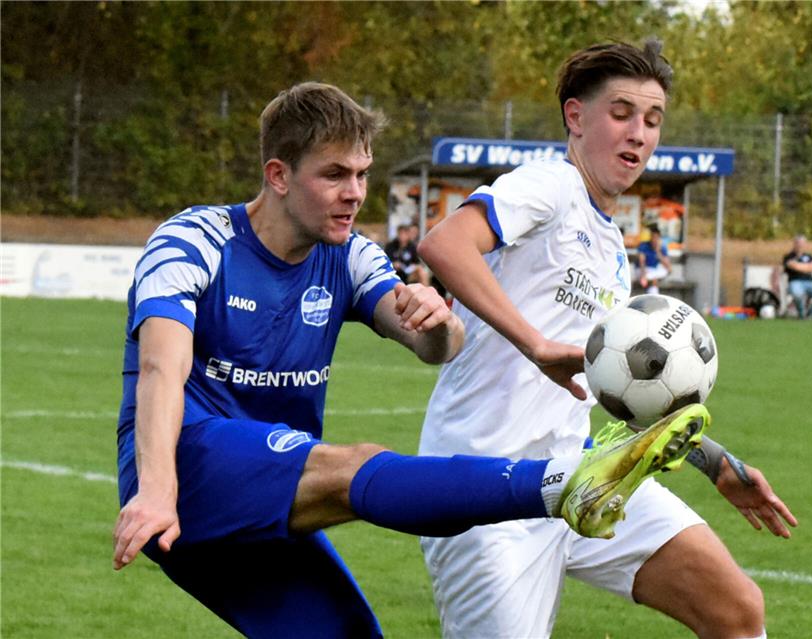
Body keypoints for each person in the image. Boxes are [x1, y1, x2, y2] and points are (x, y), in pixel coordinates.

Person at [112, 81, 707, 638]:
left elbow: (433, 348)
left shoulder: (348, 256)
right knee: (355, 468)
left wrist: (438, 322)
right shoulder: (192, 242)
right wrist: (158, 490)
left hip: (268, 495)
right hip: (182, 473)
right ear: (279, 175)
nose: (355, 193)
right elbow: (164, 369)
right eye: (335, 175)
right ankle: (560, 484)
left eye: (363, 174)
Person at [418, 41, 797, 639]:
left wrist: (711, 458)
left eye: (652, 120)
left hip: (578, 477)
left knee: (735, 610)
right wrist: (535, 344)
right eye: (621, 113)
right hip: (482, 489)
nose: (639, 134)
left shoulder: (612, 248)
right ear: (576, 117)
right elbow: (444, 243)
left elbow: (627, 391)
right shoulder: (549, 185)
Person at [782, 234, 812, 319]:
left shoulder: (809, 256)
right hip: (795, 281)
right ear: (794, 244)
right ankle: (801, 313)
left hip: (809, 282)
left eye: (802, 243)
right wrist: (807, 267)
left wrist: (798, 266)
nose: (800, 245)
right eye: (798, 243)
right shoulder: (788, 256)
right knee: (797, 293)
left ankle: (811, 312)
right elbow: (792, 266)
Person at [383, 221, 429, 286]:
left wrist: (414, 267)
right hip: (394, 272)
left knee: (422, 272)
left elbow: (417, 263)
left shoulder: (412, 246)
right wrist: (394, 264)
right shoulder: (390, 246)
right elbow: (385, 262)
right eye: (400, 233)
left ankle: (425, 293)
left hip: (408, 273)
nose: (402, 236)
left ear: (408, 234)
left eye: (404, 233)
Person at [636, 225, 672, 293]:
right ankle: (651, 280)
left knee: (661, 272)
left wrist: (658, 252)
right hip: (643, 270)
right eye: (653, 237)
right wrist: (643, 275)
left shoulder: (662, 247)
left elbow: (669, 268)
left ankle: (651, 279)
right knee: (653, 281)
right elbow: (642, 262)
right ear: (650, 238)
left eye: (656, 238)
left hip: (653, 272)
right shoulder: (643, 246)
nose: (654, 240)